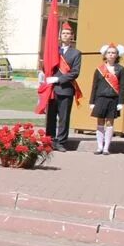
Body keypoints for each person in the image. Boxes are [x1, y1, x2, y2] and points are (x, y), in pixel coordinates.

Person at [45, 22, 81, 152]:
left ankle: (61, 142)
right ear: (60, 36)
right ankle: (49, 140)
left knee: (64, 118)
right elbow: (47, 67)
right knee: (50, 117)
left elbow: (75, 72)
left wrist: (58, 79)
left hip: (65, 89)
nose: (66, 36)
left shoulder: (76, 53)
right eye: (63, 33)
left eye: (68, 33)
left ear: (72, 36)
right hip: (52, 89)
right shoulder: (54, 51)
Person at [89, 42, 124, 155]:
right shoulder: (99, 69)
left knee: (110, 123)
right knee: (100, 123)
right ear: (105, 55)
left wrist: (121, 101)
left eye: (113, 53)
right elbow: (94, 86)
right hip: (100, 99)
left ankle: (106, 148)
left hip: (113, 99)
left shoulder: (121, 69)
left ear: (117, 55)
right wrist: (92, 101)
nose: (111, 54)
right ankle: (99, 147)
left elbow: (123, 86)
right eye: (109, 52)